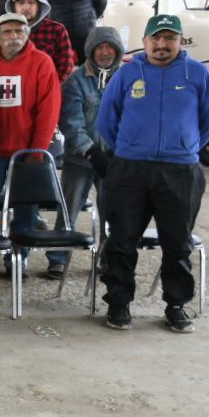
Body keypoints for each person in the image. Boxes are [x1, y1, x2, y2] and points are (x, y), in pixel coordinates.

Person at [97, 14, 209, 332]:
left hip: (180, 172)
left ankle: (176, 305)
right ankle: (119, 303)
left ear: (180, 41)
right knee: (121, 240)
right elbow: (106, 120)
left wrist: (182, 147)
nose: (162, 45)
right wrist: (131, 147)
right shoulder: (127, 74)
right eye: (156, 39)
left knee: (177, 243)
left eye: (170, 38)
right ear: (145, 42)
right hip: (129, 169)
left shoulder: (198, 74)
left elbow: (208, 122)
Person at [0, 12, 62, 277]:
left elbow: (48, 111)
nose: (14, 37)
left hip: (27, 153)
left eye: (19, 31)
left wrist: (36, 152)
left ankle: (18, 257)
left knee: (26, 209)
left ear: (27, 34)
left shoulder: (42, 63)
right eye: (8, 32)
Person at [44, 25, 123, 283]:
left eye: (109, 47)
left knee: (113, 211)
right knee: (69, 207)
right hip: (80, 158)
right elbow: (72, 122)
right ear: (91, 50)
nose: (104, 52)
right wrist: (90, 151)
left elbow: (131, 119)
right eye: (99, 47)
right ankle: (57, 259)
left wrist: (117, 152)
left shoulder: (126, 79)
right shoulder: (75, 81)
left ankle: (108, 257)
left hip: (114, 159)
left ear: (117, 50)